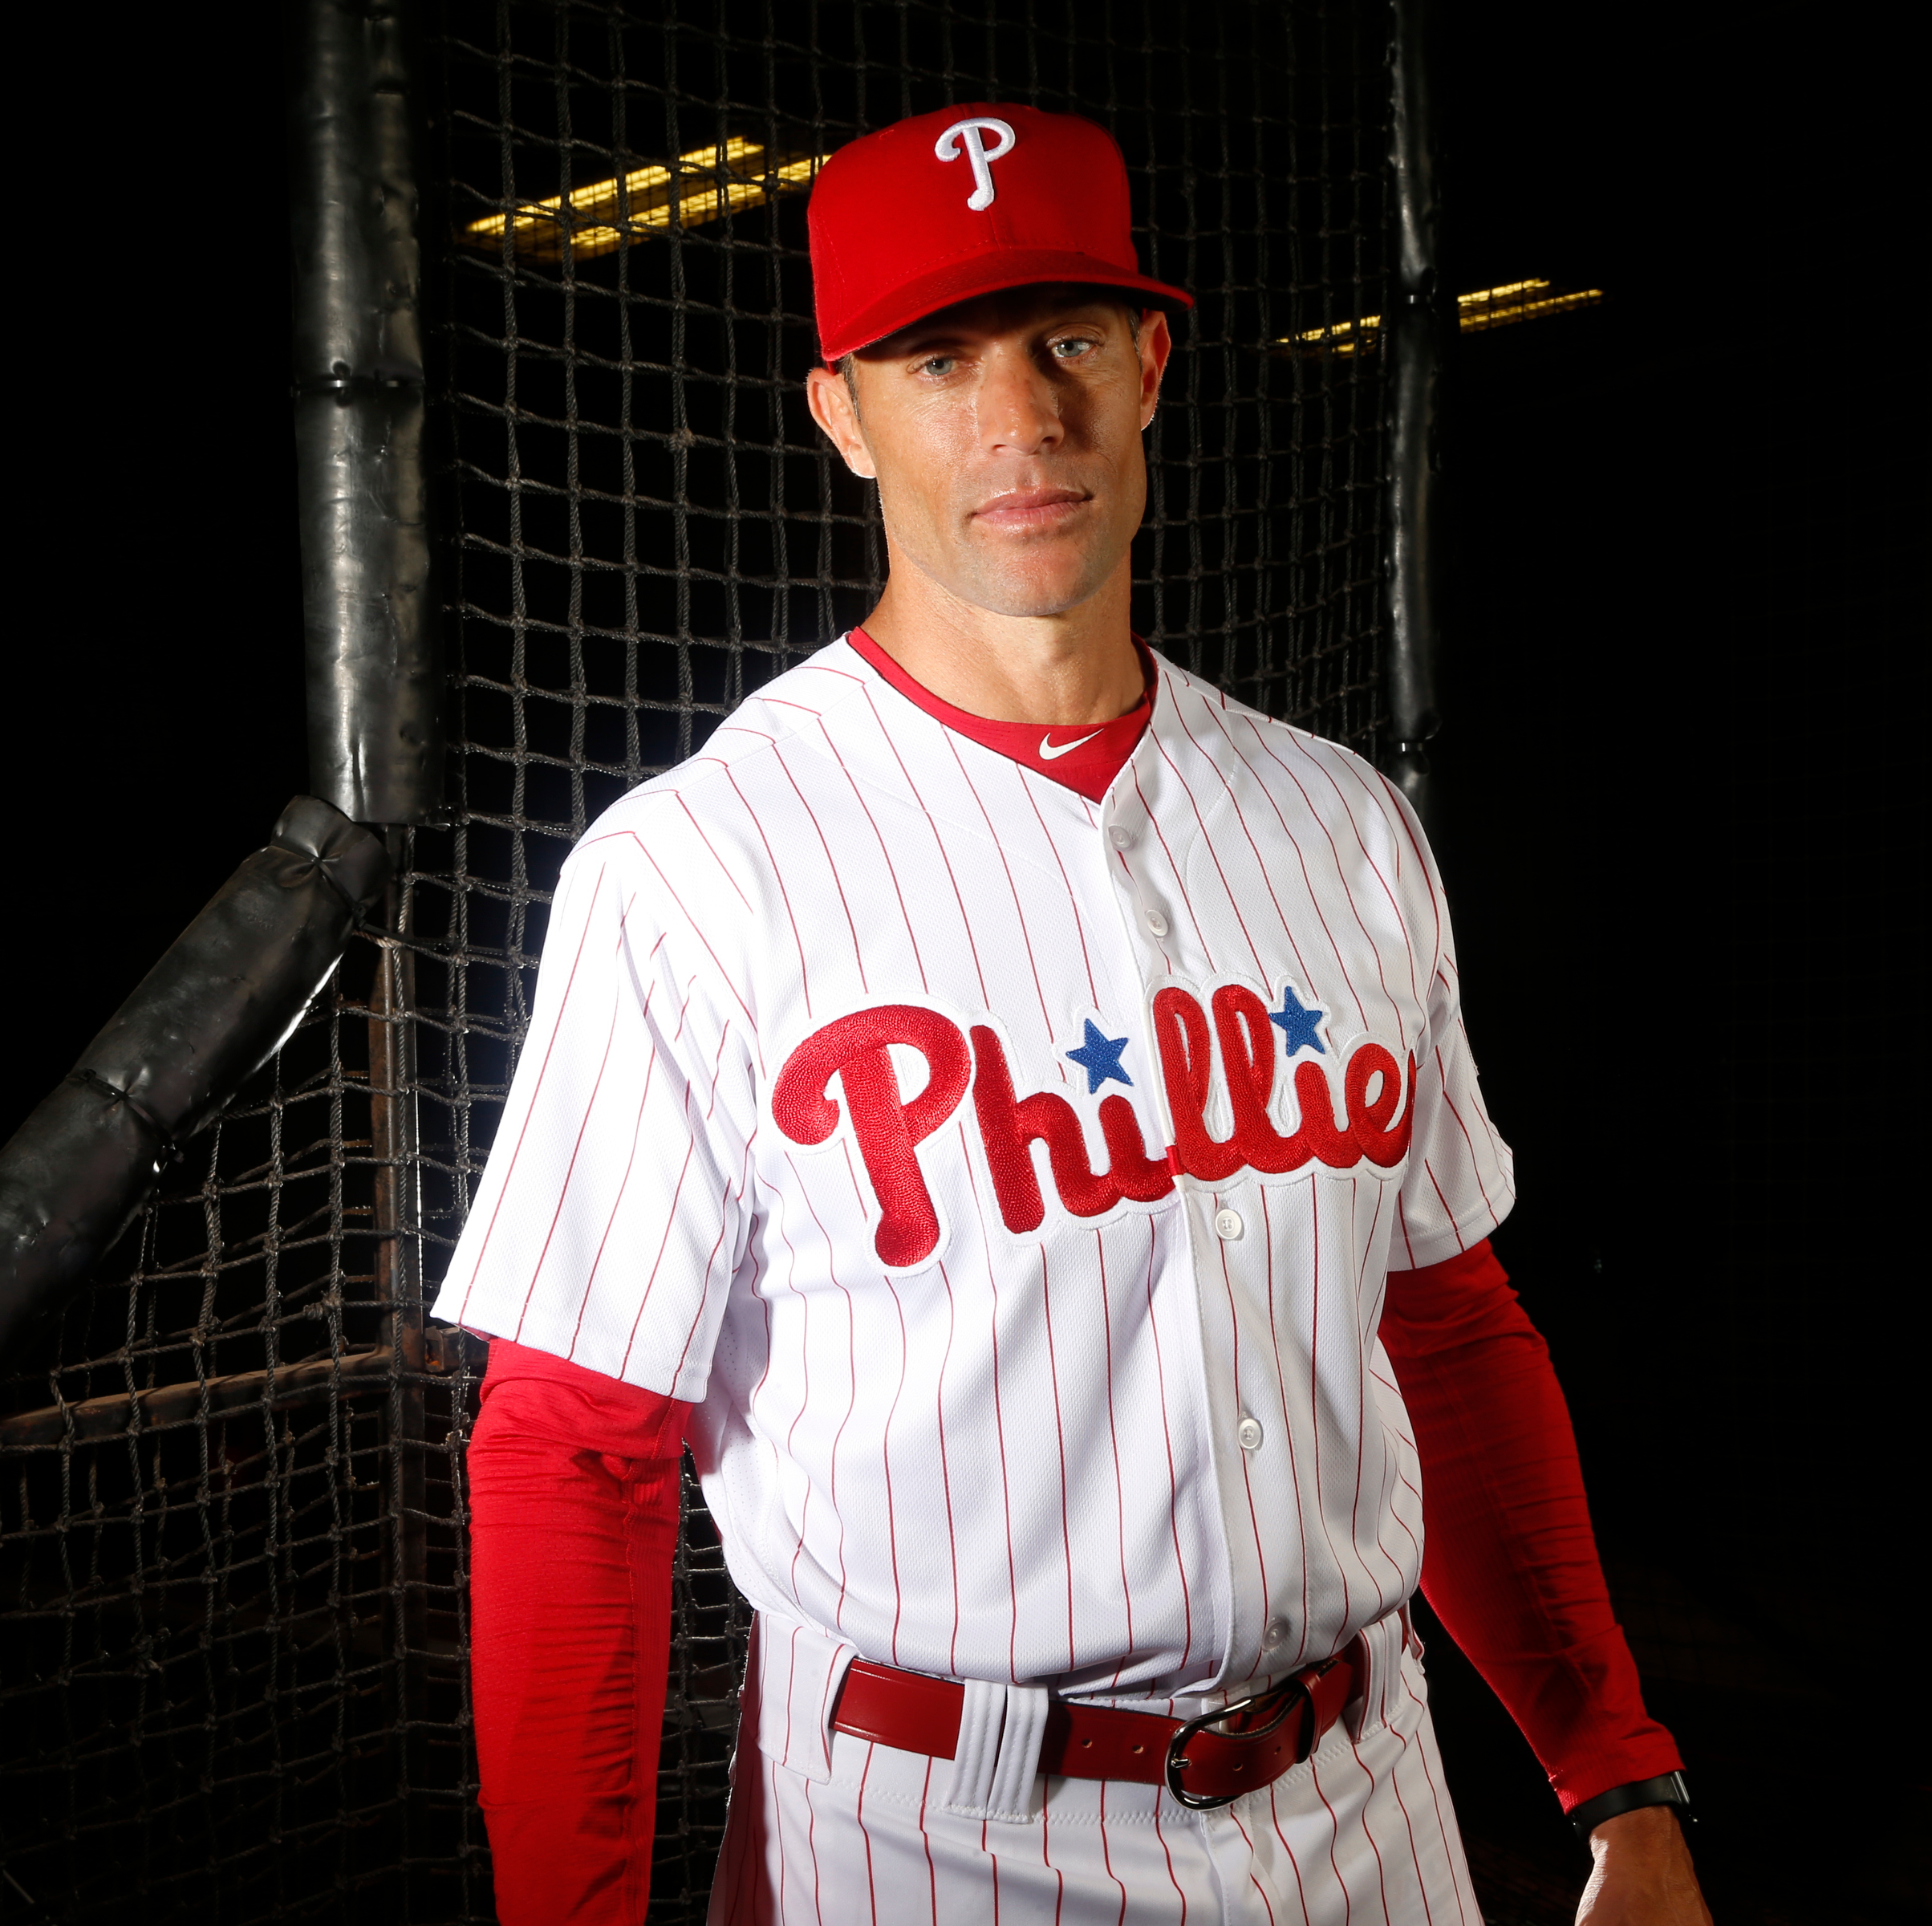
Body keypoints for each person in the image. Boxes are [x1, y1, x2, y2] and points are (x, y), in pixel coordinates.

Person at [432, 101, 1712, 1925]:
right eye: (938, 359)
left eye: (1069, 341)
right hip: (931, 1841)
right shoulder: (699, 870)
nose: (1022, 418)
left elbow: (1443, 1319)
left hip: (1372, 1809)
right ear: (842, 414)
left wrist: (1618, 1771)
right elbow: (571, 1449)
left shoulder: (1340, 819)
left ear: (1151, 365)